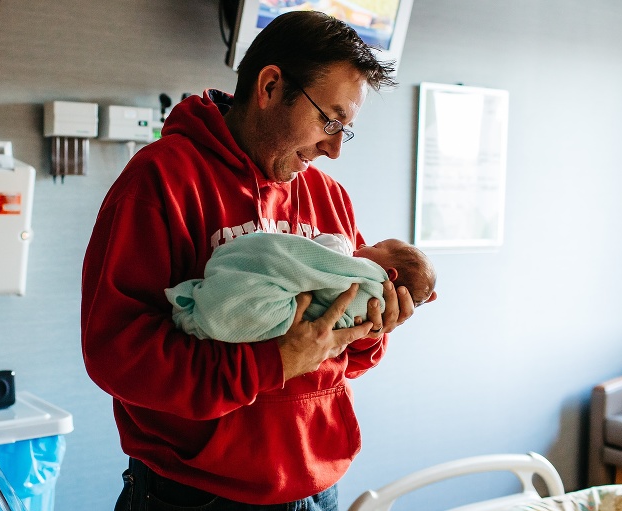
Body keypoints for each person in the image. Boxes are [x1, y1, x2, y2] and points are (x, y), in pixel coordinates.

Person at [81, 10, 437, 511]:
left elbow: (336, 354)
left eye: (345, 129)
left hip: (317, 488)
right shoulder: (160, 181)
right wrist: (268, 364)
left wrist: (370, 328)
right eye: (328, 120)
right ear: (270, 86)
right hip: (196, 495)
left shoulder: (328, 196)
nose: (334, 149)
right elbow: (117, 353)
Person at [165, 232, 437, 343]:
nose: (363, 245)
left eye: (375, 247)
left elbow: (334, 284)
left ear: (389, 275)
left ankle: (206, 313)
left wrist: (369, 334)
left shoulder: (366, 276)